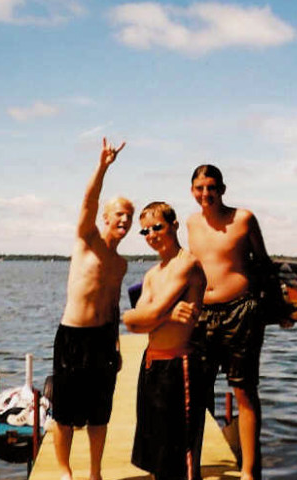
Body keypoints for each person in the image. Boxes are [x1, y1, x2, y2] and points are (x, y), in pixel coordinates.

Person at [187, 164, 284, 480]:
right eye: (200, 188)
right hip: (201, 316)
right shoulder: (189, 224)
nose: (206, 194)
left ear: (222, 190)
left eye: (212, 187)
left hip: (241, 312)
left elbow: (265, 265)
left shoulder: (243, 219)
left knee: (244, 391)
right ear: (192, 191)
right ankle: (192, 470)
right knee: (196, 395)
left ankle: (249, 472)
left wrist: (279, 310)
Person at [52, 138, 134, 480]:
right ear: (104, 217)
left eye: (129, 217)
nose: (125, 221)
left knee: (100, 411)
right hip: (73, 336)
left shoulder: (121, 263)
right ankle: (64, 471)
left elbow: (114, 306)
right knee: (66, 413)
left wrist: (116, 344)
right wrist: (103, 166)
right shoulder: (87, 239)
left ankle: (95, 473)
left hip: (102, 339)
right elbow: (89, 199)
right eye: (119, 215)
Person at [123, 202, 206, 480]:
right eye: (145, 231)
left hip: (178, 365)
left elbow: (149, 314)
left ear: (174, 225)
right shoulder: (152, 274)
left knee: (182, 455)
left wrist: (155, 314)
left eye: (157, 227)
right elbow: (131, 322)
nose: (151, 235)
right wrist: (169, 315)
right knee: (157, 452)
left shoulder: (188, 264)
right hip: (152, 365)